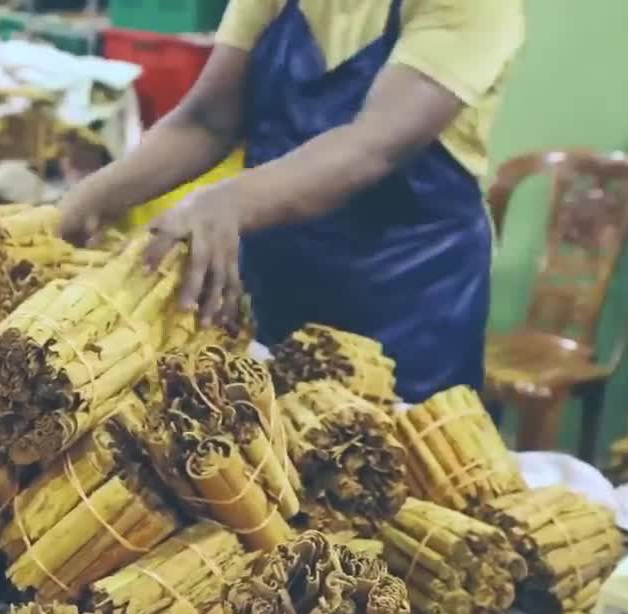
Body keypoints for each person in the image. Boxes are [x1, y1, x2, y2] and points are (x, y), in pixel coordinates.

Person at [58, 0, 525, 403]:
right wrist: (83, 203)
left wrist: (224, 202)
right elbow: (208, 120)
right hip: (280, 289)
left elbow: (371, 147)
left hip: (406, 309)